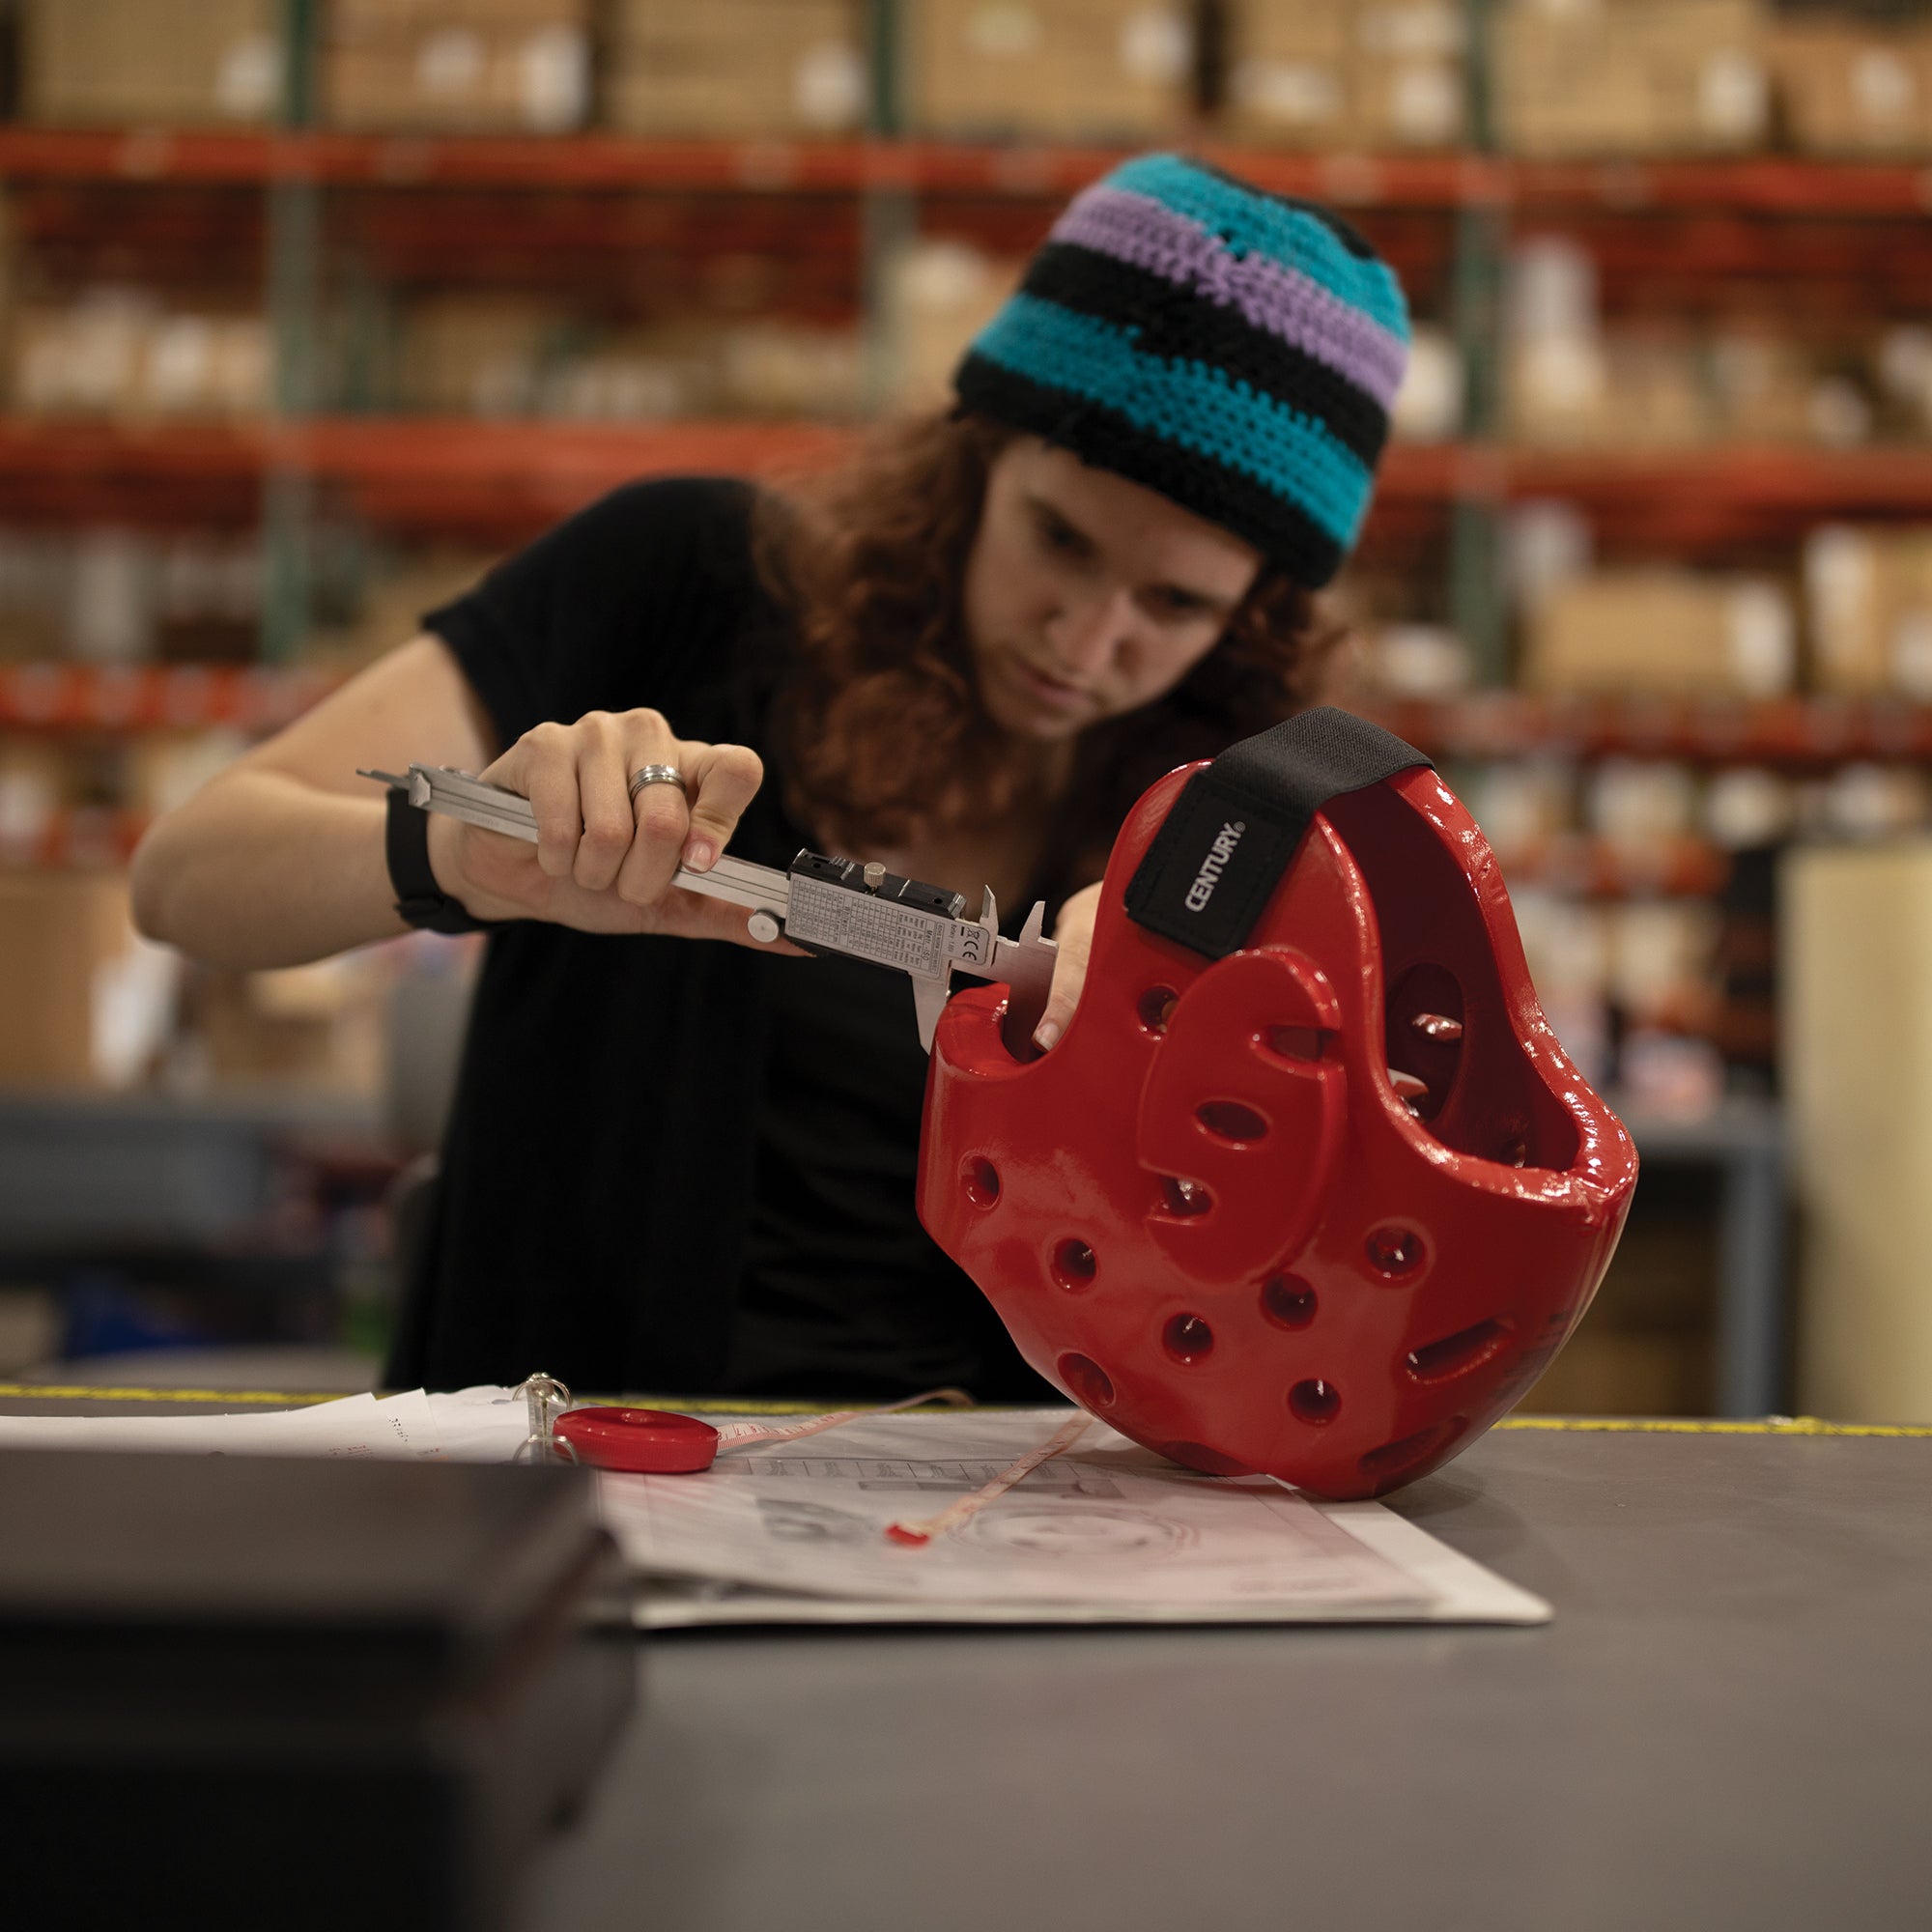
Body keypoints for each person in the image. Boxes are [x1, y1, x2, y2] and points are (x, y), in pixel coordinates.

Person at [130, 154, 1411, 1400]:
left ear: (1255, 619)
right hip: (567, 1462)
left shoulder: (1245, 838)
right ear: (975, 458)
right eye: (1058, 539)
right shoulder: (681, 585)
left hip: (986, 1493)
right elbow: (186, 877)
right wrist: (464, 858)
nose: (1085, 640)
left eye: (1175, 604)